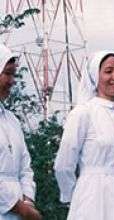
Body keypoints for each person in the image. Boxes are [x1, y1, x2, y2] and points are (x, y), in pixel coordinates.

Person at [54, 50, 114, 220]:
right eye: (108, 71)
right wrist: (74, 196)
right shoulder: (83, 113)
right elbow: (64, 164)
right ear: (95, 76)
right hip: (93, 199)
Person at [0, 44, 42, 220]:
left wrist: (28, 200)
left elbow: (25, 166)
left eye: (13, 74)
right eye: (7, 73)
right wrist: (20, 208)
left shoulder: (12, 120)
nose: (12, 81)